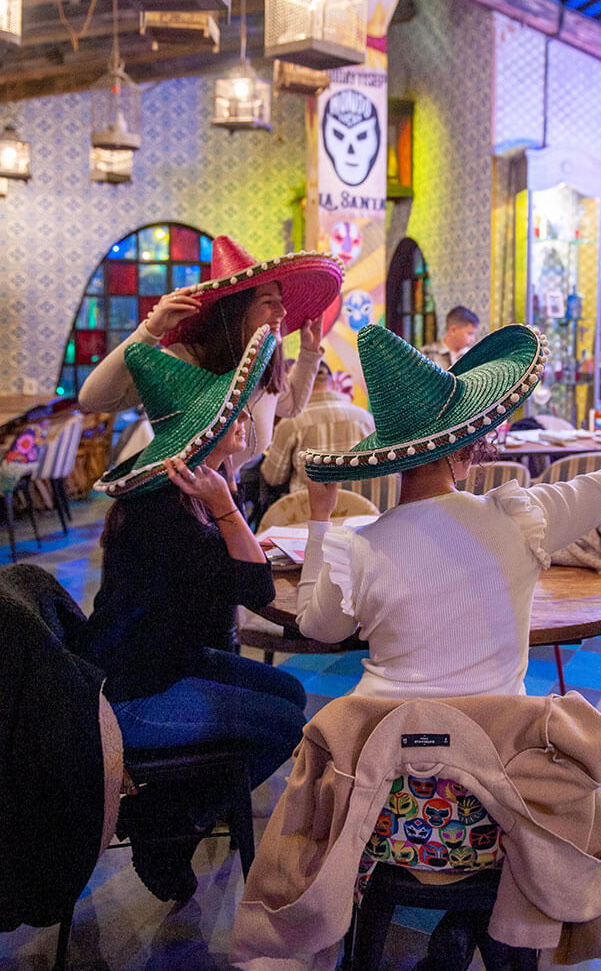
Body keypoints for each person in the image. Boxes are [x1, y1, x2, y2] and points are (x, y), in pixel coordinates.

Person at [291, 323, 601, 968]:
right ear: (463, 449)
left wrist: (321, 520)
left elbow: (317, 628)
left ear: (393, 458)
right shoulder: (521, 521)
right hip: (501, 795)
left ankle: (440, 931)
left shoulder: (361, 546)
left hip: (382, 803)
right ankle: (485, 926)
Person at [83, 326, 307, 902]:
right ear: (199, 439)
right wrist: (228, 509)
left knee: (288, 693)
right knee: (287, 725)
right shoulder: (171, 512)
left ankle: (180, 802)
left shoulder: (180, 496)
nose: (241, 421)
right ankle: (167, 825)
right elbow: (256, 588)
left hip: (157, 665)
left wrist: (223, 499)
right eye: (225, 417)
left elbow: (232, 581)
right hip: (129, 698)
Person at [79, 236, 344, 475]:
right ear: (236, 311)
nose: (283, 312)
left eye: (281, 301)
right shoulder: (187, 362)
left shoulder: (262, 366)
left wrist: (310, 353)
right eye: (268, 302)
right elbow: (93, 398)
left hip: (226, 499)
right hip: (182, 509)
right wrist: (149, 331)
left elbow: (292, 405)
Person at [260, 359, 375, 496]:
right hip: (362, 511)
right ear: (333, 383)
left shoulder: (291, 423)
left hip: (308, 511)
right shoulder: (366, 419)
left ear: (299, 383)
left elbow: (273, 477)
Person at [421, 304, 479, 369]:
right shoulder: (426, 354)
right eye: (469, 334)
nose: (473, 339)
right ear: (453, 330)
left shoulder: (472, 356)